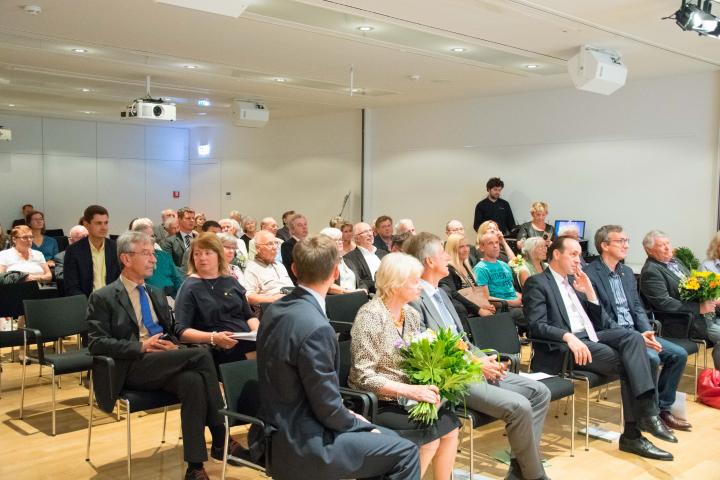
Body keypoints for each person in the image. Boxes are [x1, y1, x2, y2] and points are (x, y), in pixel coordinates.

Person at [249, 236, 421, 480]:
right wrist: (360, 423)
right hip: (305, 441)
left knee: (390, 441)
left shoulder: (274, 309)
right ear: (336, 272)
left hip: (272, 432)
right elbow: (327, 408)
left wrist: (354, 420)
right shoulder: (317, 327)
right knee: (405, 452)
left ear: (294, 269)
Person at [87, 230, 246, 480]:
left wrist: (171, 345)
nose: (154, 260)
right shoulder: (104, 297)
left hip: (163, 362)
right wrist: (141, 346)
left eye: (153, 254)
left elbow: (172, 331)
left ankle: (195, 467)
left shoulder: (155, 292)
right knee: (202, 355)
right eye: (147, 254)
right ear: (126, 259)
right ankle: (221, 437)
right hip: (132, 365)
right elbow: (96, 343)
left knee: (193, 381)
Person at [405, 232, 551, 480]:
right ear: (429, 261)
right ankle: (535, 475)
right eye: (442, 253)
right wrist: (474, 363)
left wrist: (483, 360)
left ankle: (519, 470)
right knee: (520, 406)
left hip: (474, 366)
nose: (447, 257)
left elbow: (462, 339)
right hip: (454, 378)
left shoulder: (441, 294)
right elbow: (429, 352)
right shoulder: (414, 300)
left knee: (540, 393)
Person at [524, 236, 676, 461]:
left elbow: (602, 322)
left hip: (592, 338)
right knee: (632, 364)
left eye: (580, 255)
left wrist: (590, 294)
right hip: (566, 348)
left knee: (634, 337)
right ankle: (639, 427)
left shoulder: (576, 282)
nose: (579, 260)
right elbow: (536, 326)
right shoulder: (538, 283)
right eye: (573, 254)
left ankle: (643, 421)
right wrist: (567, 336)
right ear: (556, 255)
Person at [349, 252, 459, 479]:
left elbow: (416, 358)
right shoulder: (370, 316)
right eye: (415, 280)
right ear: (396, 283)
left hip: (409, 396)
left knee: (450, 425)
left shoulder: (411, 313)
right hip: (379, 401)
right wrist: (410, 390)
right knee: (431, 435)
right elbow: (363, 376)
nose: (420, 285)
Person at [586, 225, 691, 431]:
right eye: (621, 241)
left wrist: (646, 332)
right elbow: (600, 317)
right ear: (604, 246)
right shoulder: (591, 273)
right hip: (614, 335)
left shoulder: (626, 272)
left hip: (638, 332)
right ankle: (646, 415)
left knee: (678, 355)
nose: (626, 245)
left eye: (627, 240)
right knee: (651, 358)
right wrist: (633, 336)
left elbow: (637, 307)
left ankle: (662, 409)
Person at [174, 233, 258, 367]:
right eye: (197, 254)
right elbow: (182, 331)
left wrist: (258, 332)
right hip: (216, 345)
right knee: (262, 356)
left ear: (219, 256)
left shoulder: (230, 281)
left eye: (208, 253)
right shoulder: (189, 286)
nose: (202, 258)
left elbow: (249, 315)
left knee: (273, 345)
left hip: (244, 338)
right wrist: (213, 337)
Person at [640, 230, 720, 370]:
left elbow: (694, 286)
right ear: (650, 250)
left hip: (707, 315)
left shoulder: (676, 261)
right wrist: (699, 308)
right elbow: (664, 303)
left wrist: (711, 298)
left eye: (668, 243)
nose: (668, 248)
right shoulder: (651, 271)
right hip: (684, 322)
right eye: (662, 245)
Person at [64, 205, 120, 297]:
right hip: (86, 303)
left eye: (106, 223)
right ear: (86, 225)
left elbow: (121, 280)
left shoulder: (115, 247)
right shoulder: (73, 250)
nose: (104, 227)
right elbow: (71, 286)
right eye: (98, 223)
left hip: (113, 301)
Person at [440, 233, 496, 325]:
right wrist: (479, 310)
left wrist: (486, 305)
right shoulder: (449, 269)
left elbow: (475, 293)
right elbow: (454, 294)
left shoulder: (467, 265)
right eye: (461, 247)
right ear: (453, 249)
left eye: (467, 246)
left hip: (474, 308)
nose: (466, 250)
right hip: (465, 311)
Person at [474, 232, 526, 330]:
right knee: (531, 316)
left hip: (516, 305)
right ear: (482, 247)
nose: (495, 246)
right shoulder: (480, 269)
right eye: (490, 243)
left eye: (497, 242)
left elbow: (510, 289)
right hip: (502, 309)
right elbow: (486, 298)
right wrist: (512, 302)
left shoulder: (505, 265)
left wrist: (524, 298)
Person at [131, 219, 184, 298]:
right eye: (146, 236)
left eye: (152, 236)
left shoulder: (164, 255)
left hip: (172, 298)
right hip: (151, 298)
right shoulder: (134, 258)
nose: (151, 239)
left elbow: (177, 279)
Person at [244, 229, 294, 306]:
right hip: (274, 307)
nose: (275, 247)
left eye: (276, 243)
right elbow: (248, 297)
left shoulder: (280, 265)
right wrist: (272, 299)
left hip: (292, 302)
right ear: (258, 248)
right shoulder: (252, 268)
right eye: (270, 244)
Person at [318, 227, 371, 294]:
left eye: (340, 239)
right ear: (325, 243)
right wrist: (349, 292)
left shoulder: (347, 261)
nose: (340, 242)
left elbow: (360, 282)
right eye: (335, 240)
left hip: (355, 297)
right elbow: (327, 285)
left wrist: (364, 290)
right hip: (336, 300)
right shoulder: (322, 262)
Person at [280, 213, 309, 284]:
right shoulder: (287, 245)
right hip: (299, 283)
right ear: (292, 229)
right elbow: (294, 269)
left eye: (305, 224)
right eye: (300, 225)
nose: (304, 227)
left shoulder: (310, 243)